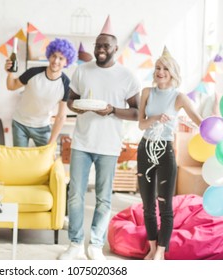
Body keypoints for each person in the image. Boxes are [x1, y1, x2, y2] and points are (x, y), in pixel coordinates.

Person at [58, 15, 140, 260]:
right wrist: (77, 107)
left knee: (104, 198)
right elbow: (71, 100)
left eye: (105, 45)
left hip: (109, 145)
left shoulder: (127, 76)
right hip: (82, 142)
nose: (101, 49)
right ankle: (74, 244)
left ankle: (95, 244)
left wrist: (112, 110)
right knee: (75, 194)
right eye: (97, 45)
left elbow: (137, 112)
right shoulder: (82, 71)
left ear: (115, 48)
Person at [137, 47, 202, 260]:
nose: (160, 71)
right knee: (148, 204)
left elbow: (198, 119)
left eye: (165, 68)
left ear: (172, 72)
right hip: (146, 148)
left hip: (165, 151)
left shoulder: (179, 97)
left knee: (165, 203)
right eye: (157, 68)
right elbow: (140, 124)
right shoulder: (146, 92)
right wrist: (156, 117)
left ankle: (161, 252)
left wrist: (220, 128)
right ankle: (153, 247)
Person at [5, 38, 77, 147]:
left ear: (67, 62)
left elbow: (61, 117)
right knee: (19, 160)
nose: (56, 61)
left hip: (42, 127)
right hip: (20, 123)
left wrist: (51, 142)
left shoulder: (66, 84)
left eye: (61, 58)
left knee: (47, 158)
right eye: (54, 56)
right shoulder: (33, 72)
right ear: (49, 56)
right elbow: (11, 86)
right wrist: (9, 72)